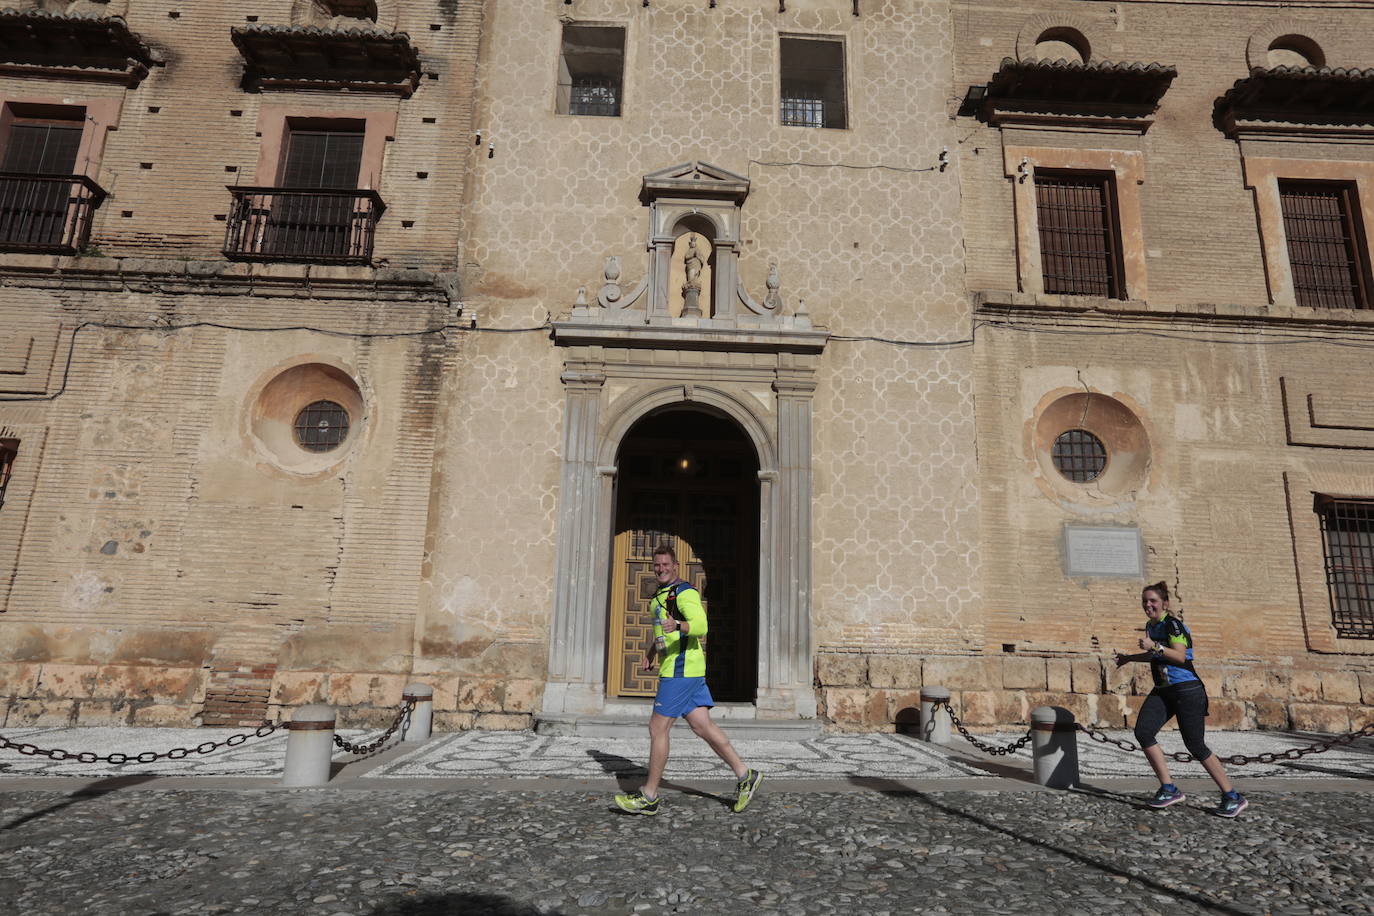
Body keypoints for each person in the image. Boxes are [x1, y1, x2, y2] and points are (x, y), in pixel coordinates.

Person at [613, 544, 763, 815]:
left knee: (658, 729)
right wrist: (651, 652)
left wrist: (680, 625)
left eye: (666, 564)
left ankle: (649, 796)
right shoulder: (658, 597)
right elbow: (661, 630)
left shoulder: (684, 593)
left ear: (676, 566)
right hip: (682, 669)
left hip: (680, 671)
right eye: (657, 565)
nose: (661, 569)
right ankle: (745, 775)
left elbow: (702, 625)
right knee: (702, 726)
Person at [1113, 581, 1247, 817]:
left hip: (1186, 689)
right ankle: (1169, 788)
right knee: (1143, 732)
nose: (1148, 605)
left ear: (1164, 603)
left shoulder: (1173, 625)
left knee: (1195, 744)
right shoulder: (1150, 625)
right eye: (1145, 601)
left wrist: (1154, 646)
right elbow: (1155, 655)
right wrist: (1130, 658)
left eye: (1152, 601)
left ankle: (1232, 796)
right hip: (1164, 689)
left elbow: (1179, 656)